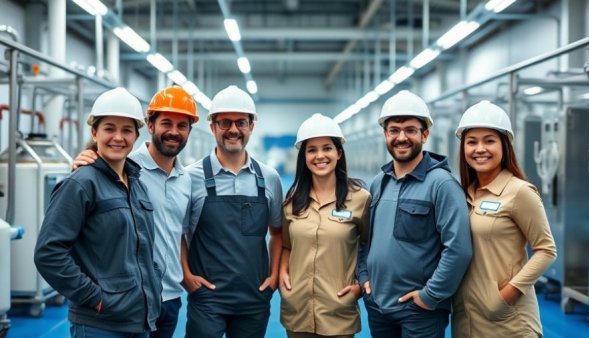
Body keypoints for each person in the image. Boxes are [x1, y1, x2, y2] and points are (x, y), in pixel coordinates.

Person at [71, 85, 200, 338]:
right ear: (150, 126)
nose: (173, 132)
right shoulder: (125, 166)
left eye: (181, 126)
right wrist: (84, 160)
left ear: (189, 131)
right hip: (128, 298)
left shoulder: (187, 179)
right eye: (166, 123)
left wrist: (185, 275)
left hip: (171, 296)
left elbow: (178, 233)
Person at [34, 87, 161, 338]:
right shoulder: (81, 184)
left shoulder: (136, 184)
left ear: (136, 135)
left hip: (138, 320)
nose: (118, 137)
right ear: (94, 132)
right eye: (109, 128)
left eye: (126, 130)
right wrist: (94, 297)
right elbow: (48, 252)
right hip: (99, 325)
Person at [356, 90, 472, 338]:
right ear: (385, 134)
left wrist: (430, 296)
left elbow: (459, 248)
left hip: (419, 312)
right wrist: (364, 275)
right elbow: (366, 239)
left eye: (410, 130)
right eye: (394, 130)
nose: (401, 137)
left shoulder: (442, 185)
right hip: (378, 304)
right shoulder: (379, 182)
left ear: (425, 134)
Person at [181, 85, 283, 338]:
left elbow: (278, 232)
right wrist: (186, 277)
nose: (233, 130)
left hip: (254, 298)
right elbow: (178, 233)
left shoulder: (269, 178)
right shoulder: (190, 177)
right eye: (225, 122)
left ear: (251, 127)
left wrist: (274, 278)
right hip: (207, 300)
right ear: (213, 126)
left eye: (241, 122)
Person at [451, 100, 557, 337]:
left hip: (508, 320)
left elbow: (546, 250)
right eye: (472, 142)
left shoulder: (519, 192)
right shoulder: (464, 193)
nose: (480, 149)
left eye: (489, 140)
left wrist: (507, 295)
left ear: (504, 145)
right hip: (466, 317)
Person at [279, 113, 371, 338]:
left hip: (338, 311)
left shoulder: (360, 199)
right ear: (304, 157)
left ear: (339, 153)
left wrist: (360, 286)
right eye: (312, 150)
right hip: (297, 311)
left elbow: (370, 248)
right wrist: (282, 273)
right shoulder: (292, 203)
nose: (320, 156)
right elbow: (286, 246)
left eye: (327, 148)